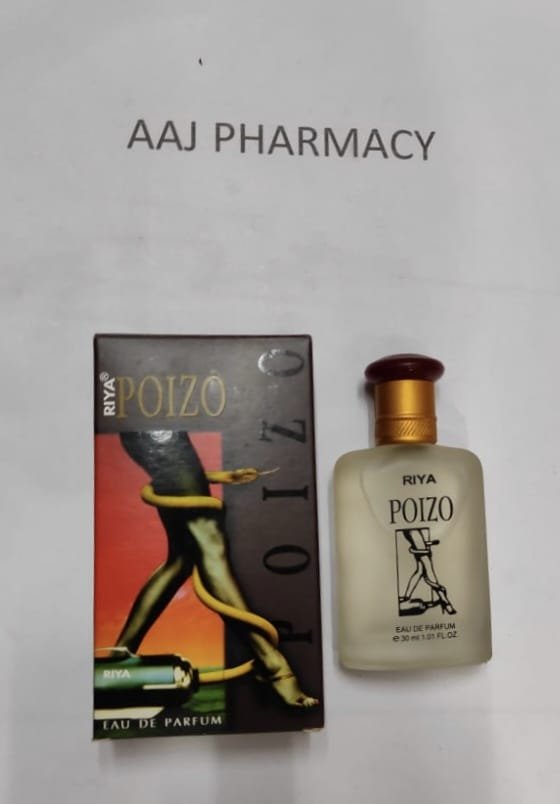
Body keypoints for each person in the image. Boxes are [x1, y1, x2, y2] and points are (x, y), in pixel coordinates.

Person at [115, 429, 317, 708]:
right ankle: (271, 661)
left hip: (156, 435)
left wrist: (221, 476)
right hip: (160, 434)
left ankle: (120, 655)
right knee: (210, 543)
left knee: (182, 559)